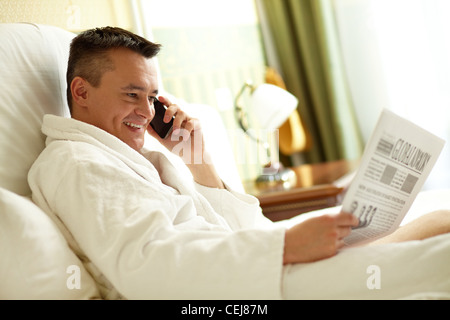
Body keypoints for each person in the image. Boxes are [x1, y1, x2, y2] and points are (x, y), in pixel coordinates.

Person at [28, 27, 450, 299]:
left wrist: (198, 163)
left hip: (257, 261)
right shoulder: (76, 163)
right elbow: (150, 268)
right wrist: (286, 247)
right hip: (249, 288)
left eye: (152, 98)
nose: (146, 110)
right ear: (80, 92)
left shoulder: (140, 159)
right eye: (131, 94)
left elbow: (243, 230)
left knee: (439, 220)